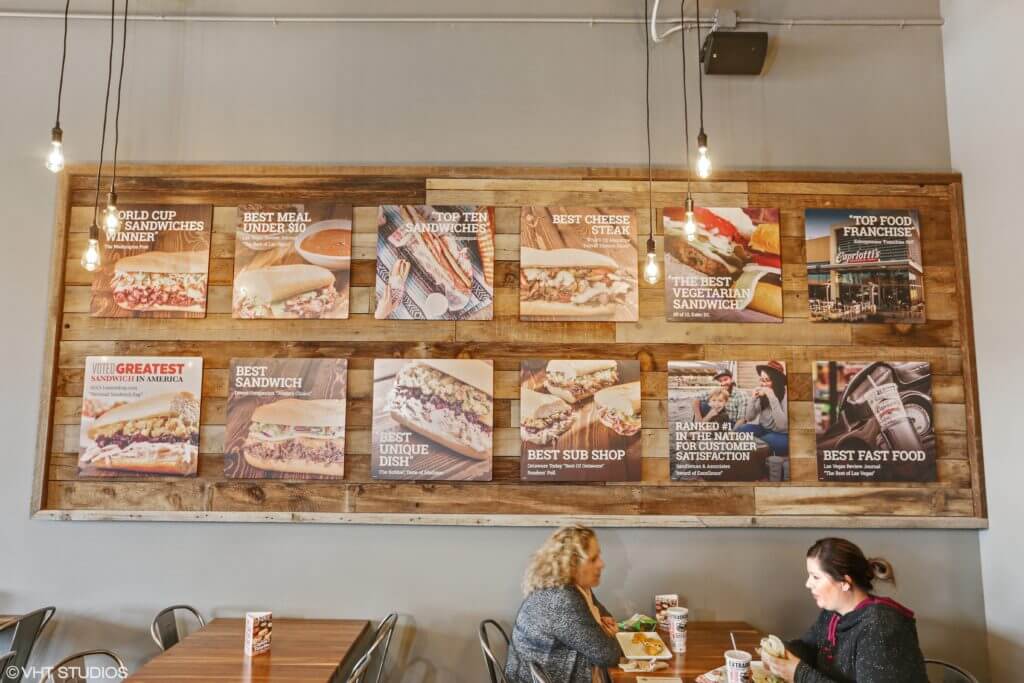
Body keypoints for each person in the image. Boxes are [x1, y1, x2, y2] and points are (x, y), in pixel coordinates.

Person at [762, 537, 928, 683]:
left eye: (816, 577)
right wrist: (779, 652)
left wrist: (799, 674)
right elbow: (809, 648)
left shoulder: (880, 628)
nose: (808, 584)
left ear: (844, 582)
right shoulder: (832, 614)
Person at [505, 526, 620, 683]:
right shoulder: (562, 599)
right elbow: (608, 656)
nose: (602, 564)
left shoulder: (576, 588)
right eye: (593, 559)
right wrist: (608, 634)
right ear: (572, 565)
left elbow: (605, 617)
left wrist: (603, 632)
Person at [736, 361, 789, 457]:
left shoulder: (786, 396)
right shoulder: (762, 396)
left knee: (763, 442)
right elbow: (749, 418)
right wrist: (753, 398)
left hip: (781, 434)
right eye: (761, 380)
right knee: (741, 430)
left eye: (767, 380)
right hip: (763, 429)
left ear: (776, 381)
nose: (763, 384)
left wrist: (772, 396)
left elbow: (782, 426)